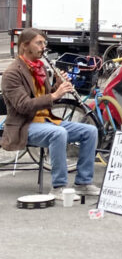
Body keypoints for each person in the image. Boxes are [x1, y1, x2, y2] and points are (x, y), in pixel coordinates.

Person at [1, 27, 99, 198]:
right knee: (58, 133)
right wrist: (55, 94)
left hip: (47, 120)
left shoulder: (40, 68)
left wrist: (58, 85)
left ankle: (83, 182)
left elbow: (45, 96)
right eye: (39, 43)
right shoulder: (12, 73)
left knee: (90, 131)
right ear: (25, 46)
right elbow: (23, 106)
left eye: (44, 43)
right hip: (24, 125)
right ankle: (58, 187)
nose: (43, 47)